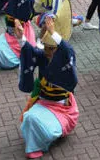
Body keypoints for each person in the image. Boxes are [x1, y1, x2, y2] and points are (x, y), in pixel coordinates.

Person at [19, 17, 79, 159]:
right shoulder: (43, 56)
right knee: (29, 118)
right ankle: (34, 145)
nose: (46, 51)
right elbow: (29, 51)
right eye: (45, 47)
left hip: (62, 108)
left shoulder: (64, 57)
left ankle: (47, 136)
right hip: (44, 102)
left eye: (51, 48)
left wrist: (53, 32)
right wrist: (20, 36)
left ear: (58, 49)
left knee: (44, 128)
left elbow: (68, 50)